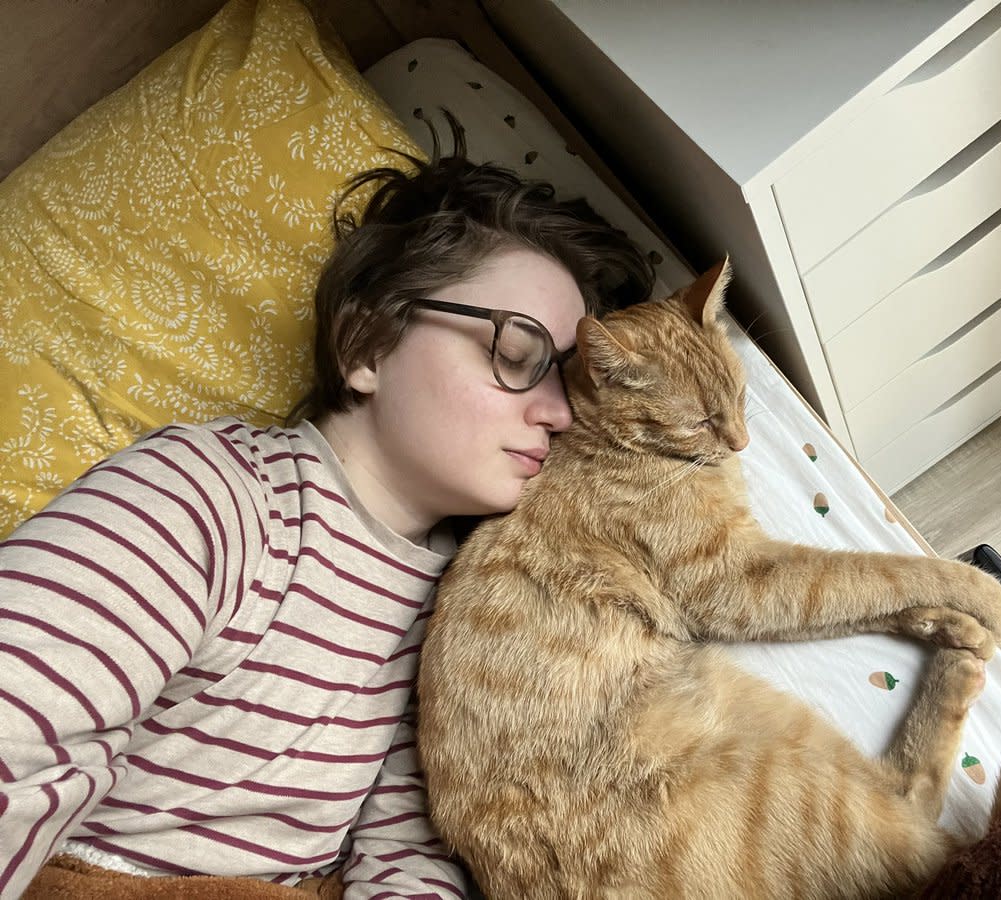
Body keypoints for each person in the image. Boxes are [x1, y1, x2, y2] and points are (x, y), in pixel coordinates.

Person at [0, 130, 654, 898]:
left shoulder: (471, 607)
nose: (558, 413)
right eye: (517, 354)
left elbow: (408, 856)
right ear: (368, 343)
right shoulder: (211, 494)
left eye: (572, 385)